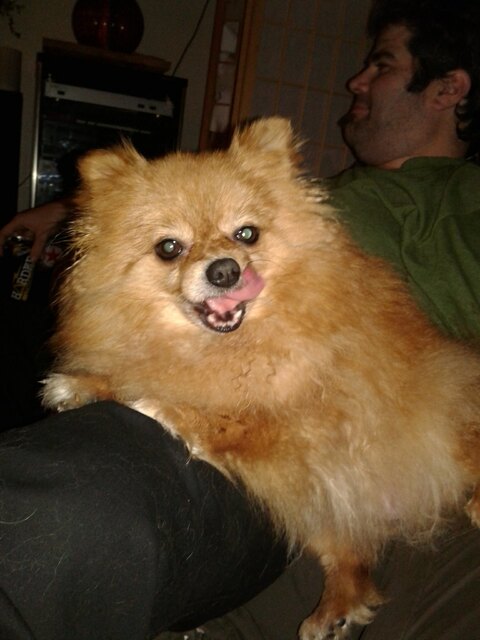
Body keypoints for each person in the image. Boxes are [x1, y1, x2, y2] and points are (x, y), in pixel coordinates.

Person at [0, 1, 479, 639]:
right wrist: (68, 211)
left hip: (408, 435)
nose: (356, 80)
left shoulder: (464, 199)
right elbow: (152, 212)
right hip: (268, 485)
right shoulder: (323, 189)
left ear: (448, 88)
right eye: (172, 248)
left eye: (382, 66)